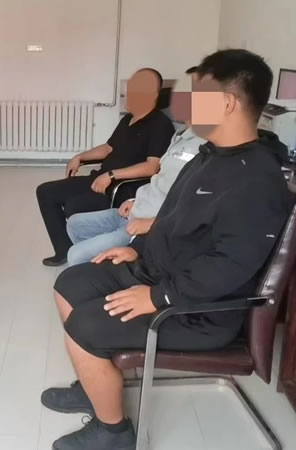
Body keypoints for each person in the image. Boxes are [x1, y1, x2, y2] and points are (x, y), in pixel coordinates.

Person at [41, 49, 291, 450]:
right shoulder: (209, 155)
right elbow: (173, 219)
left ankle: (113, 433)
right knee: (70, 283)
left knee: (83, 325)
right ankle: (96, 385)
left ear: (227, 103)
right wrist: (139, 250)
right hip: (161, 272)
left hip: (197, 310)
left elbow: (229, 265)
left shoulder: (257, 180)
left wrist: (157, 297)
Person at [65, 69, 207, 266]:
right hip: (134, 208)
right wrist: (135, 200)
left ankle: (105, 269)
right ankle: (102, 266)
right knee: (75, 224)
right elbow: (159, 178)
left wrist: (153, 222)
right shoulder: (180, 136)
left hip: (146, 224)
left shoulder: (207, 149)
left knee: (76, 255)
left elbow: (193, 208)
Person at [36, 68, 176, 266]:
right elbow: (109, 147)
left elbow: (152, 166)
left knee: (74, 206)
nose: (129, 93)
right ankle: (63, 250)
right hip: (101, 178)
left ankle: (95, 252)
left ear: (153, 94)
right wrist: (80, 156)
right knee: (45, 192)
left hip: (121, 188)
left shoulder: (160, 124)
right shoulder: (128, 119)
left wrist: (111, 175)